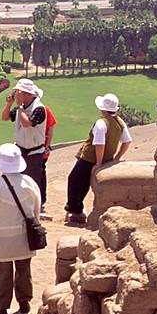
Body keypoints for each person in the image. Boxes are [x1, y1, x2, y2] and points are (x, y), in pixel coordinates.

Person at [0, 142, 43, 314]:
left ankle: (2, 307)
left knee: (1, 273)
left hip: (2, 239)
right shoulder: (29, 183)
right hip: (24, 238)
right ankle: (24, 302)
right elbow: (36, 210)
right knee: (24, 270)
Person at [64, 92, 129, 225]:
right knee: (83, 183)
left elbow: (99, 144)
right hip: (107, 159)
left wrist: (98, 163)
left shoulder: (101, 123)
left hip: (89, 159)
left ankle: (75, 210)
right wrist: (116, 157)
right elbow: (127, 141)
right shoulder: (120, 122)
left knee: (74, 180)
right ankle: (76, 209)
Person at [5, 76, 50, 198]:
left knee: (32, 184)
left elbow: (27, 124)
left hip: (34, 153)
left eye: (19, 93)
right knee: (19, 183)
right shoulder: (22, 108)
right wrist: (9, 104)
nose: (17, 95)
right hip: (20, 149)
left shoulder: (39, 109)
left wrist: (19, 106)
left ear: (27, 94)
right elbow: (5, 117)